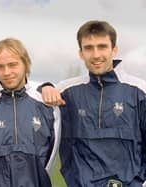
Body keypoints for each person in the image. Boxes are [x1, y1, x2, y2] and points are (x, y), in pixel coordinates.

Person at [42, 20, 146, 186]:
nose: (96, 54)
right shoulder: (65, 91)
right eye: (89, 48)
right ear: (81, 53)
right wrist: (45, 86)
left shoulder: (140, 91)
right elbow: (24, 96)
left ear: (114, 50)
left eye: (102, 46)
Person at [0, 38, 61, 187]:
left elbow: (49, 159)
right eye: (0, 67)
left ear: (25, 63)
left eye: (13, 65)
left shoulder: (47, 106)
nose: (7, 72)